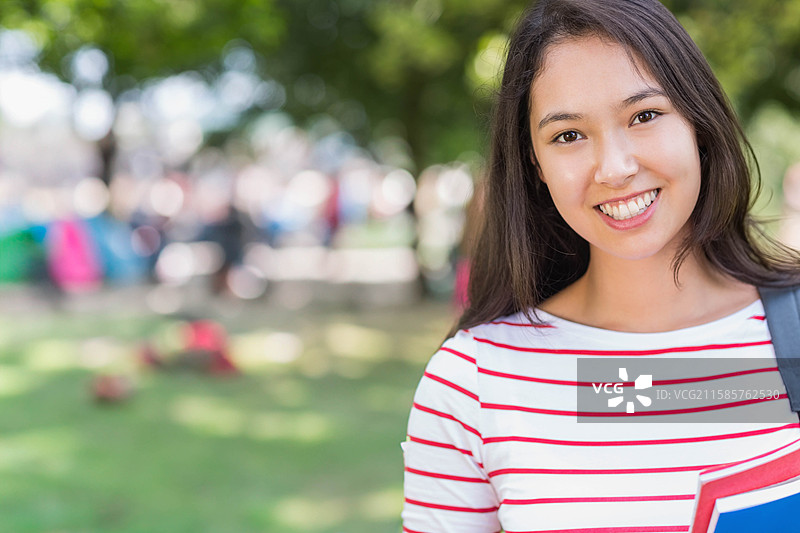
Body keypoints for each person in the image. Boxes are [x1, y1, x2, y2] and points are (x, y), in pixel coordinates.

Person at [401, 0, 800, 531]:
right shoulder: (472, 383)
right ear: (534, 164)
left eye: (644, 115)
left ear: (698, 124)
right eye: (568, 135)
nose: (615, 169)